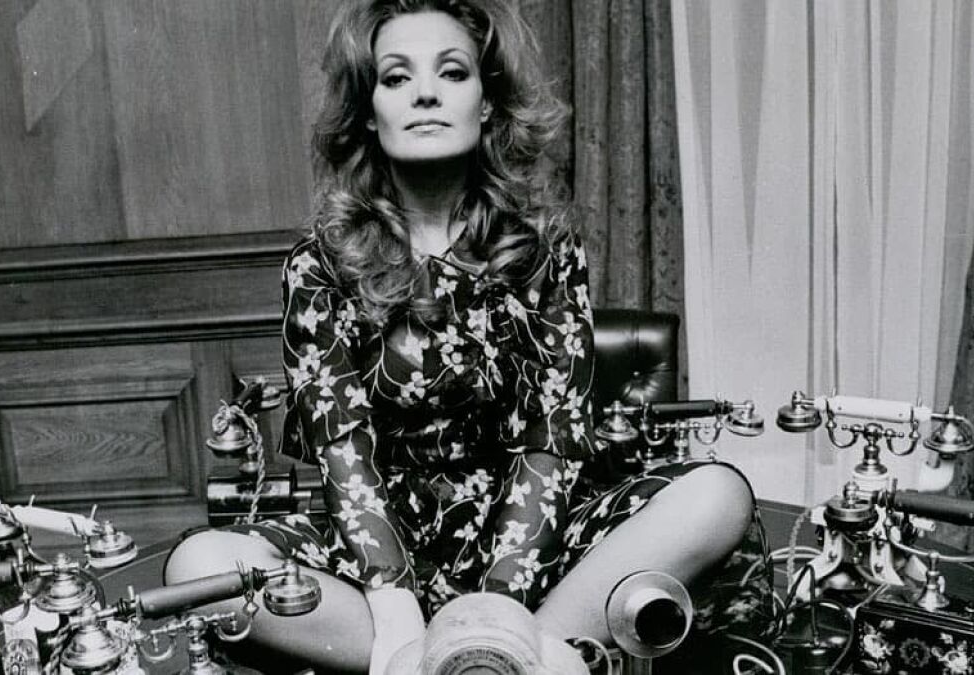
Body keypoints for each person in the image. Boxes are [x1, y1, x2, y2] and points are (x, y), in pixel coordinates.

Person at [165, 1, 768, 673]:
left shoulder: (545, 247)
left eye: (451, 72)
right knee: (201, 565)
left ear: (486, 103)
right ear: (369, 113)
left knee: (718, 495)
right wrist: (393, 604)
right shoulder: (318, 263)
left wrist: (503, 603)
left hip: (534, 542)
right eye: (396, 77)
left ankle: (504, 654)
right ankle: (460, 659)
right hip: (377, 554)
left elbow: (552, 439)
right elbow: (343, 451)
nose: (424, 93)